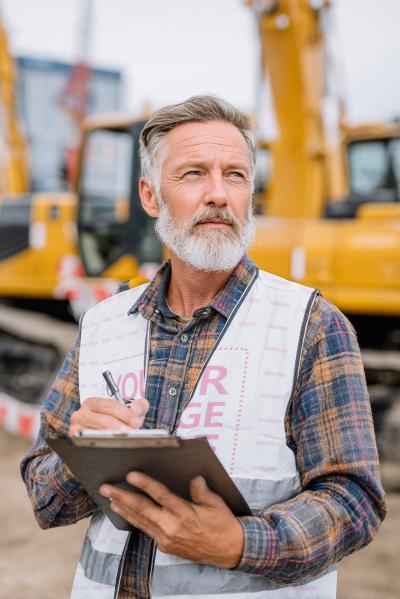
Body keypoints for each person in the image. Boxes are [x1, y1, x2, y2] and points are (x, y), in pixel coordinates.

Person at [21, 95, 386, 599]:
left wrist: (240, 542)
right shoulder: (103, 324)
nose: (218, 194)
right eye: (193, 174)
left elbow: (356, 501)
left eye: (234, 175)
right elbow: (44, 499)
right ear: (150, 196)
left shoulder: (312, 326)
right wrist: (80, 453)